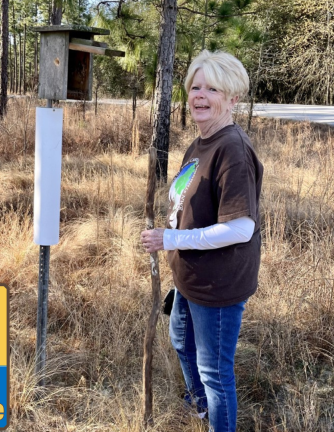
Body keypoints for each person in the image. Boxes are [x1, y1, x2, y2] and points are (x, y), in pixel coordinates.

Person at [140, 50, 263, 432]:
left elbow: (241, 227)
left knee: (215, 373)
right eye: (195, 87)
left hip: (218, 285)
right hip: (190, 277)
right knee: (180, 338)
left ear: (232, 99)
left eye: (212, 88)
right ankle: (201, 405)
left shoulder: (232, 150)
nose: (200, 95)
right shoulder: (200, 143)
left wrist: (172, 237)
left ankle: (215, 416)